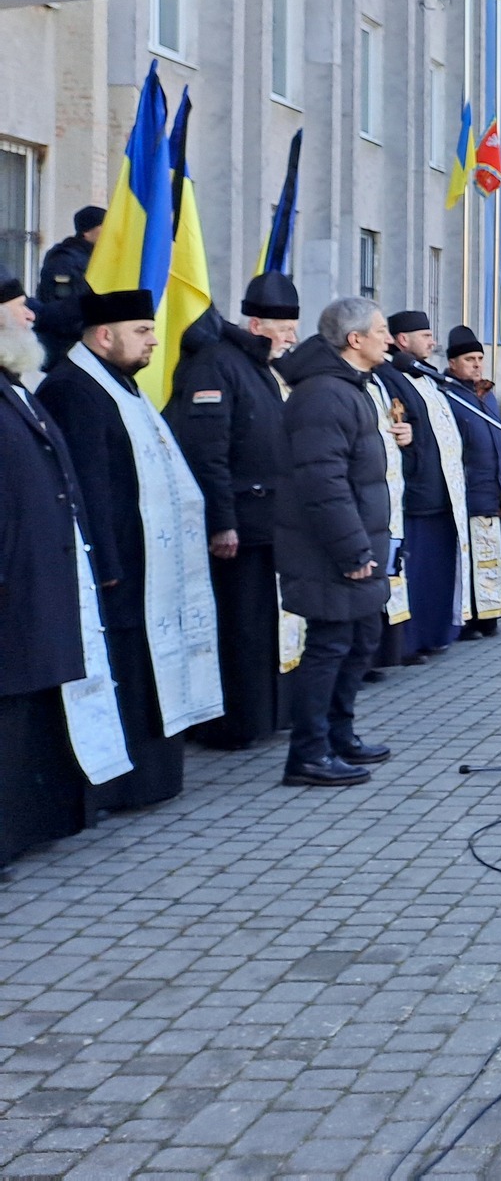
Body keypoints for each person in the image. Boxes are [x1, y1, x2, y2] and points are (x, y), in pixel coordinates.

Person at [39, 288, 223, 811]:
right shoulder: (73, 389)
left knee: (146, 668)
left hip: (148, 564)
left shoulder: (124, 386)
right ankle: (121, 787)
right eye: (142, 331)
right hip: (117, 567)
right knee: (125, 672)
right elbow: (87, 485)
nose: (153, 340)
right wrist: (107, 564)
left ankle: (153, 778)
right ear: (104, 335)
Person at [165, 270, 296, 749]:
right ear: (258, 325)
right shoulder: (216, 365)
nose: (292, 338)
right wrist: (222, 521)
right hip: (238, 523)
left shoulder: (259, 365)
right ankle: (231, 724)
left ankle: (260, 716)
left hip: (266, 523)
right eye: (285, 330)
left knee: (260, 627)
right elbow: (208, 451)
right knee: (237, 628)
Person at [272, 298, 397, 787]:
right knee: (329, 645)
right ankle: (308, 753)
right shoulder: (324, 394)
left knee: (361, 639)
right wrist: (351, 550)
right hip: (328, 550)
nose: (389, 339)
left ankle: (339, 735)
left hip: (355, 542)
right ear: (355, 340)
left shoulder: (351, 388)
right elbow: (322, 482)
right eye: (382, 330)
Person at [0, 277, 99, 865]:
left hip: (34, 576)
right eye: (18, 308)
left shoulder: (18, 387)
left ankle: (24, 828)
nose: (33, 314)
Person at [374, 312, 470, 659]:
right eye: (425, 335)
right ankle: (409, 642)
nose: (433, 342)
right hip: (415, 495)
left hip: (441, 493)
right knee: (416, 575)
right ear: (402, 340)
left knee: (436, 576)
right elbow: (397, 425)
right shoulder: (390, 376)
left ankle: (436, 632)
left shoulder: (424, 375)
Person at [441, 326, 501, 638]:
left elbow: (500, 439)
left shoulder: (487, 395)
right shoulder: (447, 395)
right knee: (471, 557)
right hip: (468, 489)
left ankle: (491, 613)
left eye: (480, 358)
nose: (476, 364)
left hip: (493, 488)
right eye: (469, 359)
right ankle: (469, 619)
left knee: (492, 555)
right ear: (453, 363)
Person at [31, 204, 104, 366]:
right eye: (104, 227)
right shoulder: (64, 261)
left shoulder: (95, 258)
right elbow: (63, 310)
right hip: (67, 349)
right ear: (87, 231)